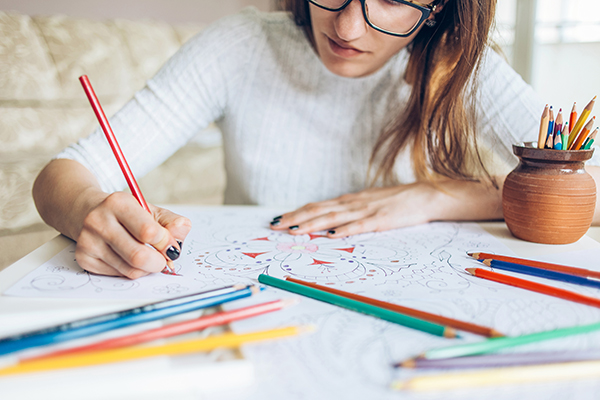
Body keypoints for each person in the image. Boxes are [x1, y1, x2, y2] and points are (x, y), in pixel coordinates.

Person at [32, 0, 600, 279]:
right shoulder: (241, 46)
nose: (348, 27)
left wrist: (443, 195)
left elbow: (593, 183)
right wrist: (89, 209)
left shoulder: (462, 68)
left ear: (439, 8)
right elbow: (63, 173)